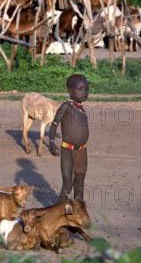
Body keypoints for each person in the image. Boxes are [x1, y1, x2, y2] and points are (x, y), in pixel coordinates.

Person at [48, 74, 90, 202]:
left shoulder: (82, 110)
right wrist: (51, 142)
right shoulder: (66, 106)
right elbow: (54, 124)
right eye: (80, 89)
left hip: (82, 151)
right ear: (70, 91)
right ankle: (62, 211)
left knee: (80, 182)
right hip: (68, 151)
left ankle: (78, 210)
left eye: (86, 89)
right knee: (67, 183)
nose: (84, 92)